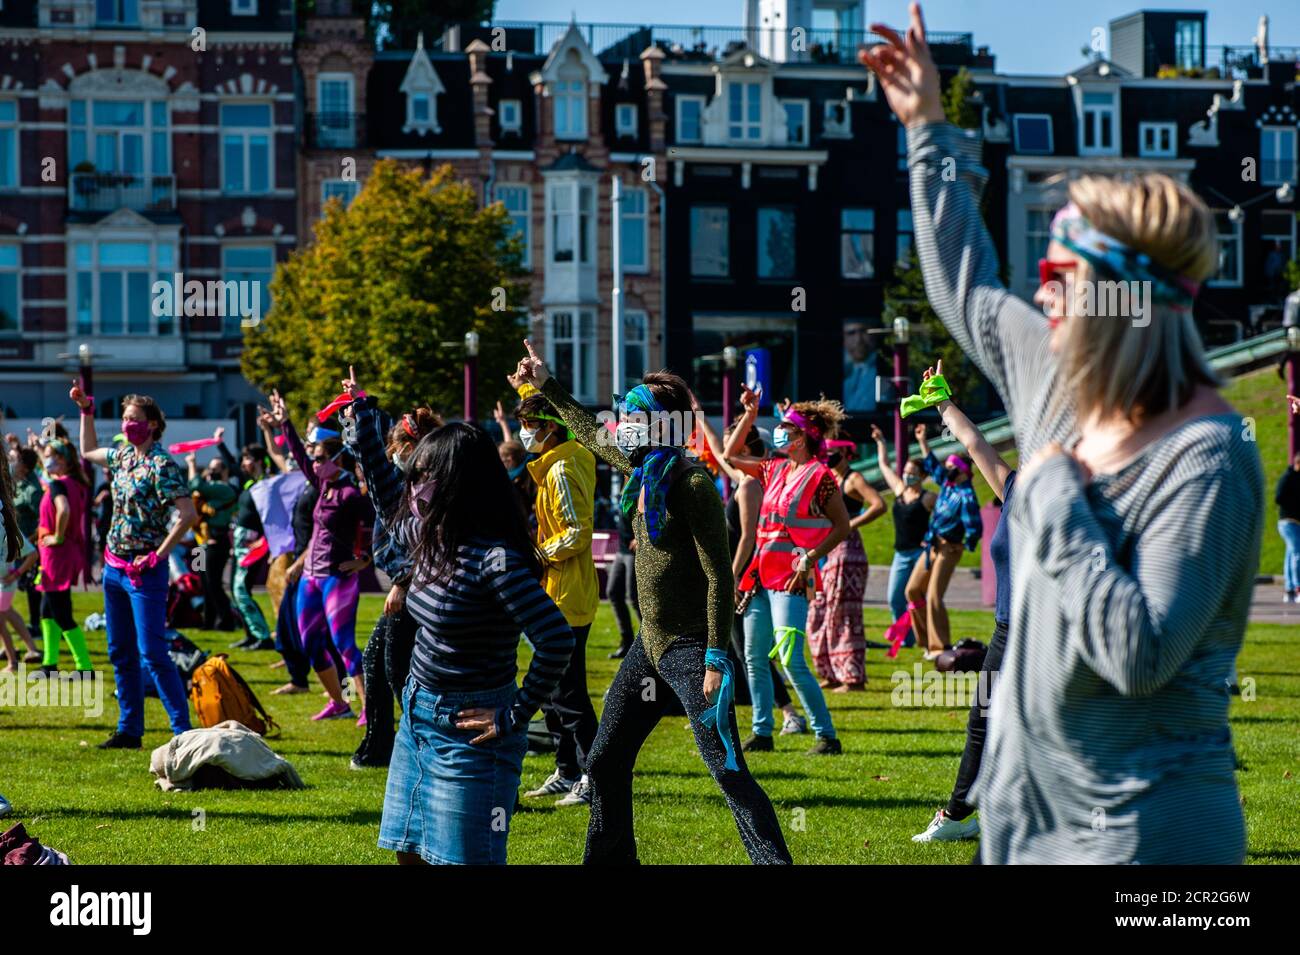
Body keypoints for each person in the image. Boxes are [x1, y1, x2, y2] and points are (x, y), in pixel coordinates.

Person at [862, 2, 1262, 863]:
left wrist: (1045, 489)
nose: (1039, 294)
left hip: (1150, 845)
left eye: (1059, 274)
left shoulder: (1207, 455)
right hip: (1032, 833)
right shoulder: (1049, 367)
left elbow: (1144, 650)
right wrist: (927, 129)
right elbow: (964, 287)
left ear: (1127, 298)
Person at [515, 342, 792, 863]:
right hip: (652, 645)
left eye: (635, 416)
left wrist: (715, 657)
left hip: (692, 652)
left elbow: (719, 578)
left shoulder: (692, 484)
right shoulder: (643, 469)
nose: (623, 423)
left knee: (728, 770)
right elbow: (587, 429)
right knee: (605, 761)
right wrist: (542, 383)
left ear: (663, 424)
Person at [377, 422, 574, 865]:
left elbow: (556, 639)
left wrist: (514, 715)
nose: (415, 487)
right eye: (414, 476)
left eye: (426, 476)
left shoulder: (495, 560)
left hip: (470, 734)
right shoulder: (430, 538)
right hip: (415, 718)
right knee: (408, 854)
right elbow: (383, 494)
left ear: (458, 483)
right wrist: (363, 427)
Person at [912, 360, 1016, 842]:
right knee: (984, 720)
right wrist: (943, 402)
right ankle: (960, 816)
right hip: (1008, 629)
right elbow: (974, 444)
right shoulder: (1015, 488)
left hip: (1055, 635)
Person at [723, 388, 850, 754]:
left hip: (793, 580)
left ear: (804, 437)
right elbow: (731, 454)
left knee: (791, 659)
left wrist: (810, 558)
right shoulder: (773, 468)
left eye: (786, 430)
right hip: (761, 578)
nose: (779, 434)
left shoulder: (820, 475)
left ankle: (826, 736)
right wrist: (750, 413)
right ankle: (762, 732)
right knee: (753, 656)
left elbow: (842, 527)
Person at [70, 385, 195, 748]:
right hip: (113, 566)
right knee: (119, 650)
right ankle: (129, 730)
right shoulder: (123, 456)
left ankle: (182, 733)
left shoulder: (162, 464)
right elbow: (88, 450)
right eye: (125, 419)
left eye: (135, 420)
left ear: (153, 425)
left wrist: (159, 554)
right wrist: (86, 411)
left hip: (145, 570)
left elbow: (187, 515)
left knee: (153, 652)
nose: (128, 425)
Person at [340, 366, 442, 768]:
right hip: (415, 585)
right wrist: (358, 407)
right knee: (376, 661)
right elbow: (367, 448)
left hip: (416, 587)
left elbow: (371, 454)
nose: (389, 455)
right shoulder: (416, 472)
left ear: (410, 448)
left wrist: (362, 408)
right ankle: (379, 746)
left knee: (398, 671)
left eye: (395, 448)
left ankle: (419, 745)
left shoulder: (411, 483)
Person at [693, 400, 807, 736]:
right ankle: (734, 713)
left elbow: (748, 538)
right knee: (740, 650)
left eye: (735, 439)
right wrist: (699, 414)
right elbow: (717, 448)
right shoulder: (743, 476)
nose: (727, 445)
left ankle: (789, 714)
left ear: (747, 446)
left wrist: (730, 577)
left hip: (749, 576)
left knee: (748, 651)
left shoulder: (752, 483)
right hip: (740, 576)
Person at [513, 388, 600, 808]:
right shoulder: (555, 462)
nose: (522, 433)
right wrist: (528, 387)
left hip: (566, 591)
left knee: (568, 693)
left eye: (527, 426)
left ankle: (594, 777)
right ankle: (567, 771)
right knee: (552, 690)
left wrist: (537, 554)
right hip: (557, 588)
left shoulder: (562, 468)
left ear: (549, 428)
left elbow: (578, 532)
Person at [273, 390, 372, 722]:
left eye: (320, 458)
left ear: (338, 459)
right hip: (311, 577)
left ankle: (368, 707)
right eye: (314, 459)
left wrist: (365, 559)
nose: (314, 463)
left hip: (337, 577)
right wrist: (285, 422)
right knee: (311, 642)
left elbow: (383, 522)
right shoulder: (324, 485)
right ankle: (339, 703)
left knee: (344, 643)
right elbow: (300, 457)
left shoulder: (350, 495)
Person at [904, 423, 981, 659]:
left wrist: (966, 544)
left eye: (951, 468)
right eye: (947, 466)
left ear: (962, 473)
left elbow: (975, 526)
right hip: (933, 544)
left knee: (934, 595)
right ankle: (927, 642)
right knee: (913, 590)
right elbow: (933, 468)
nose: (946, 471)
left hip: (949, 547)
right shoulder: (947, 486)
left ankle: (940, 648)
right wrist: (922, 441)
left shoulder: (966, 495)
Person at [871, 424, 935, 649]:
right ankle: (906, 640)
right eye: (906, 471)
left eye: (912, 473)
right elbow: (884, 465)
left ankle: (927, 638)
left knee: (919, 599)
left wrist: (923, 441)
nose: (907, 475)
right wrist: (880, 442)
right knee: (895, 599)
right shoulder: (899, 490)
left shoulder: (929, 498)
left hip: (920, 554)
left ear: (922, 476)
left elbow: (945, 518)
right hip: (901, 554)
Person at [34, 438, 93, 676]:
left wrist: (57, 536)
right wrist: (39, 448)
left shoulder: (60, 486)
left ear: (61, 460)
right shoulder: (72, 482)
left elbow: (64, 510)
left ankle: (84, 666)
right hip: (60, 554)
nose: (46, 459)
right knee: (47, 611)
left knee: (60, 612)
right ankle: (49, 664)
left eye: (49, 455)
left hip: (58, 554)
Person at [218, 438, 276, 650]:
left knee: (242, 590)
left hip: (254, 546)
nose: (244, 463)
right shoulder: (249, 484)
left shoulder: (266, 486)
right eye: (243, 458)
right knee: (235, 590)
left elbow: (271, 518)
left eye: (249, 458)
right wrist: (220, 444)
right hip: (240, 545)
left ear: (260, 461)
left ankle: (263, 637)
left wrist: (263, 541)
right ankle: (251, 634)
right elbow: (233, 465)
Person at [185, 448, 238, 631]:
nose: (212, 471)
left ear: (224, 471)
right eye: (210, 468)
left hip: (216, 542)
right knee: (204, 582)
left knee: (214, 583)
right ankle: (207, 621)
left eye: (216, 468)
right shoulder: (211, 491)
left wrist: (192, 464)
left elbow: (195, 485)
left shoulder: (225, 489)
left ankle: (225, 620)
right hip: (200, 543)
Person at [7, 447, 44, 637]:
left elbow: (43, 521)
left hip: (29, 545)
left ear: (25, 466)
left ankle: (36, 625)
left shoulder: (33, 490)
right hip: (13, 544)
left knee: (31, 587)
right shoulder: (17, 484)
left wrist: (29, 542)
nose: (12, 462)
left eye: (15, 460)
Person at [604, 509, 639, 660]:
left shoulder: (641, 485)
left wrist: (640, 537)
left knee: (634, 598)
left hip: (635, 551)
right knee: (613, 592)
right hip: (622, 550)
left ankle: (652, 642)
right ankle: (627, 642)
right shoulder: (624, 486)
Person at [1276, 450, 1300, 603]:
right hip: (1288, 521)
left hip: (1296, 521)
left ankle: (1289, 588)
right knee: (1297, 552)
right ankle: (1298, 587)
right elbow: (1279, 497)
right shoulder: (1288, 477)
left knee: (1291, 554)